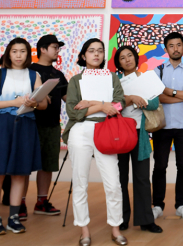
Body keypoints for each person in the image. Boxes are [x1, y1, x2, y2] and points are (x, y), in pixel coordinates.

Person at [62, 38, 127, 246]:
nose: (96, 54)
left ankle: (115, 228)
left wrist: (91, 103)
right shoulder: (75, 80)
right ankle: (84, 230)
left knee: (113, 184)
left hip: (107, 130)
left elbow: (119, 105)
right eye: (91, 51)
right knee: (80, 182)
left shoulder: (112, 78)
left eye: (100, 51)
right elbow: (73, 112)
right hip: (80, 132)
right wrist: (102, 106)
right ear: (83, 56)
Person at [0, 38, 47, 236]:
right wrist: (15, 102)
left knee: (20, 173)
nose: (18, 55)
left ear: (28, 54)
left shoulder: (34, 75)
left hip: (26, 125)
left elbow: (43, 105)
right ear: (8, 54)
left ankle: (14, 217)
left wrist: (32, 103)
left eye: (23, 51)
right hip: (2, 125)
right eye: (14, 51)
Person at [151, 32, 183, 220]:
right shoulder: (158, 71)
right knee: (159, 166)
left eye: (178, 45)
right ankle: (157, 205)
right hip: (161, 126)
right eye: (171, 46)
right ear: (166, 49)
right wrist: (181, 94)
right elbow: (156, 98)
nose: (175, 49)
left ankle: (181, 205)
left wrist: (169, 92)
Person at [114, 46, 162, 234]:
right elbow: (113, 105)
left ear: (136, 58)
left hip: (138, 133)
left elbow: (154, 103)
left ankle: (145, 220)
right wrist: (132, 98)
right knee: (120, 178)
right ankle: (121, 219)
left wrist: (133, 100)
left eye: (130, 56)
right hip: (119, 134)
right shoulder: (115, 81)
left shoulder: (146, 78)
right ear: (118, 63)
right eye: (122, 58)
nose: (127, 60)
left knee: (142, 178)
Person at [20, 34, 68, 220]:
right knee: (24, 165)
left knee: (47, 165)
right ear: (42, 49)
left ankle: (41, 201)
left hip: (52, 125)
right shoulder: (29, 71)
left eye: (58, 47)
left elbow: (67, 99)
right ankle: (20, 202)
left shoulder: (58, 74)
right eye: (54, 47)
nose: (57, 51)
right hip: (30, 124)